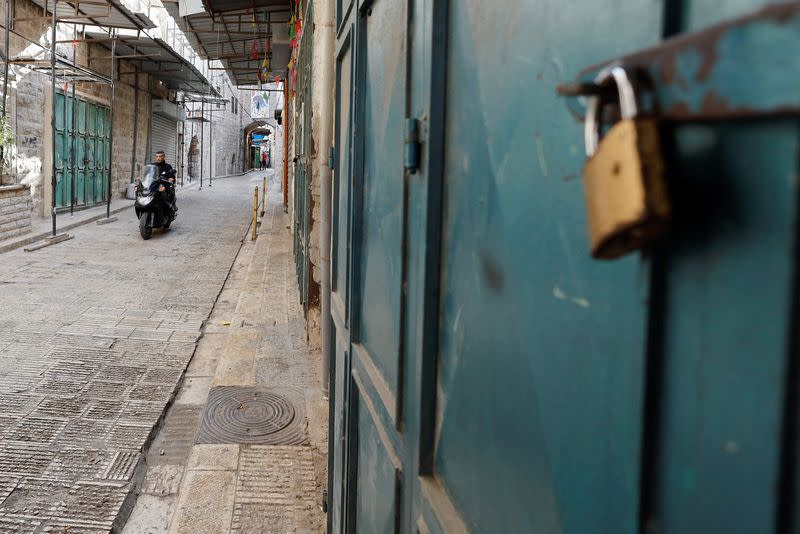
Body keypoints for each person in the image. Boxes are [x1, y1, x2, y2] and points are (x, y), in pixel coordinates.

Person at [154, 150, 177, 214]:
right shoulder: (153, 165)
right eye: (157, 156)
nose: (158, 158)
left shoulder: (168, 166)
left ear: (164, 157)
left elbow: (172, 177)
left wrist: (171, 178)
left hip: (164, 185)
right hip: (154, 185)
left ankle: (169, 204)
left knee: (166, 189)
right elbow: (147, 174)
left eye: (160, 156)